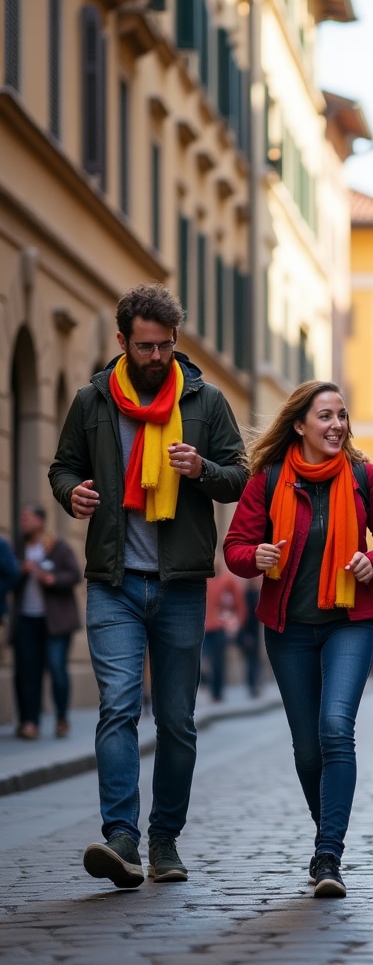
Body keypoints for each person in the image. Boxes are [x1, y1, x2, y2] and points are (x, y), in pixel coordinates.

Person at [48, 283, 246, 889]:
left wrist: (201, 469)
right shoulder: (92, 401)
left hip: (182, 584)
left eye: (164, 346)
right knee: (117, 708)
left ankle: (164, 840)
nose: (155, 357)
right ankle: (121, 837)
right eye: (144, 346)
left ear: (176, 341)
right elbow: (63, 467)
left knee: (179, 720)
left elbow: (239, 476)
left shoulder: (206, 403)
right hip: (114, 583)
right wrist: (71, 494)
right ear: (122, 342)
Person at [223, 380, 373, 898]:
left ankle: (328, 854)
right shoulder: (267, 481)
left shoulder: (362, 476)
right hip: (288, 630)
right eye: (325, 416)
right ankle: (326, 836)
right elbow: (235, 546)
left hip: (350, 621)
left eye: (342, 416)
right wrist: (254, 557)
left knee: (335, 729)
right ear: (301, 424)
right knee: (308, 751)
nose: (337, 425)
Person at [11, 503, 82, 739]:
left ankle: (61, 717)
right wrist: (21, 571)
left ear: (40, 521)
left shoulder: (56, 545)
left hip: (56, 622)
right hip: (27, 620)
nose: (24, 522)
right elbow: (9, 577)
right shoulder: (19, 548)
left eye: (28, 518)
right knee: (28, 671)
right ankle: (31, 722)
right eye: (22, 519)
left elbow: (74, 574)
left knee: (56, 668)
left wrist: (52, 579)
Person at [202, 561, 244, 702]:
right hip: (208, 626)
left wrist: (237, 622)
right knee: (209, 659)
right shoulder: (205, 581)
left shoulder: (227, 581)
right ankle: (212, 689)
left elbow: (238, 602)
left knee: (216, 660)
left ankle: (216, 692)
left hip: (218, 626)